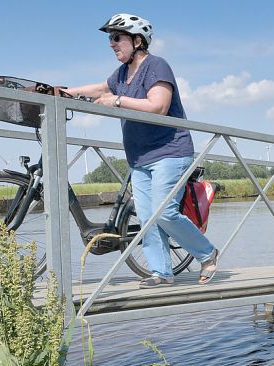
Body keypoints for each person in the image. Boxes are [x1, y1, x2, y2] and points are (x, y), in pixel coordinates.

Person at [65, 13, 218, 288]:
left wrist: (118, 100)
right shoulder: (122, 73)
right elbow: (101, 87)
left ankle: (207, 253)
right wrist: (67, 92)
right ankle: (162, 272)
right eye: (110, 38)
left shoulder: (156, 66)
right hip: (139, 157)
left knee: (165, 213)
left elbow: (157, 106)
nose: (111, 44)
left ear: (137, 41)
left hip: (170, 151)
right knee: (148, 218)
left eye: (116, 37)